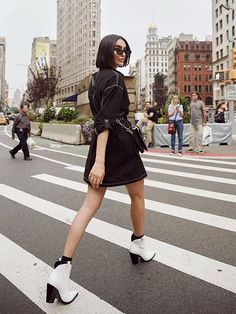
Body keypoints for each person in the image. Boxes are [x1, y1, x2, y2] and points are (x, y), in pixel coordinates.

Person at [46, 34, 155, 305]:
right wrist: (100, 162)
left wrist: (98, 156)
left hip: (102, 144)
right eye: (117, 49)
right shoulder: (116, 80)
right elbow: (106, 120)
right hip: (117, 146)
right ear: (106, 50)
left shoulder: (95, 79)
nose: (122, 53)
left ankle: (62, 267)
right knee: (137, 195)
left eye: (125, 50)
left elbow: (99, 121)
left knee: (88, 206)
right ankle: (138, 243)